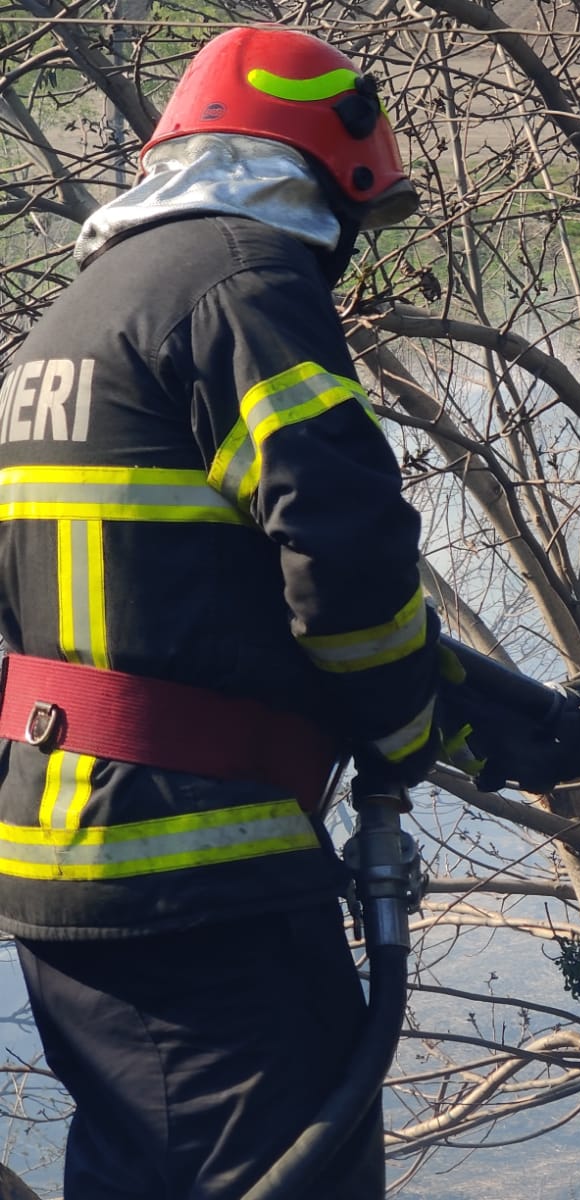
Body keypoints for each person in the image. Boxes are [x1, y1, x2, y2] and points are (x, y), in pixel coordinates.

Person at [0, 27, 438, 1199]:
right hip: (199, 875)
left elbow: (167, 599)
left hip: (67, 861)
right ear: (322, 184)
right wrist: (405, 723)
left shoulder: (77, 318)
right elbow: (344, 546)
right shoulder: (245, 282)